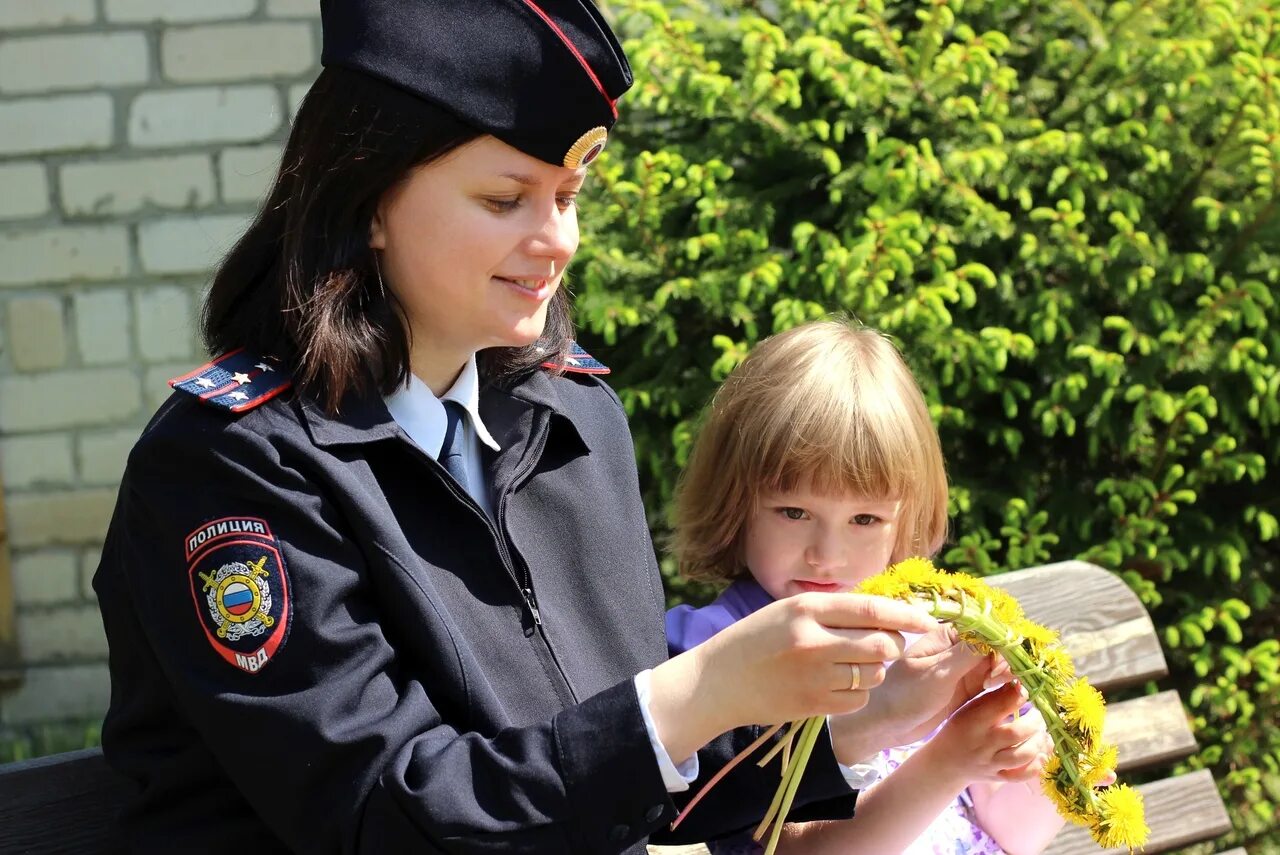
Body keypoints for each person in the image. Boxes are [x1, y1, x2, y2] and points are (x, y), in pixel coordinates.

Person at [92, 4, 1002, 853]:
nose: (558, 238)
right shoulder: (232, 467)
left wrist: (865, 725)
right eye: (505, 199)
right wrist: (696, 692)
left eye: (568, 195)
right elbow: (381, 815)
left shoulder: (571, 417)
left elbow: (621, 772)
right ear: (366, 200)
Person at [667, 320, 1071, 855]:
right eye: (794, 511)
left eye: (864, 519)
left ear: (906, 519)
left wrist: (1043, 764)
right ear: (734, 503)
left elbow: (1016, 835)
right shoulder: (718, 652)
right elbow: (791, 849)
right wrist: (948, 761)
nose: (827, 555)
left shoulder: (933, 637)